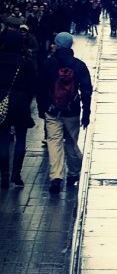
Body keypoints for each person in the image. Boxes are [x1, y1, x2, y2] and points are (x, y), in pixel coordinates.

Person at [37, 32, 92, 194]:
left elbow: (40, 88)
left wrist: (42, 108)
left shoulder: (48, 64)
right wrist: (86, 112)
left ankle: (56, 176)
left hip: (52, 111)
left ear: (58, 45)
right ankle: (74, 172)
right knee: (71, 142)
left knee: (54, 142)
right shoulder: (79, 65)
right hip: (72, 111)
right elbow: (87, 91)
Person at [0, 30, 37, 188]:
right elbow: (33, 85)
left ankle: (4, 176)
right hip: (21, 101)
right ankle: (16, 173)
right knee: (21, 137)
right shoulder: (26, 62)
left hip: (1, 100)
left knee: (3, 137)